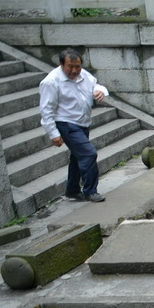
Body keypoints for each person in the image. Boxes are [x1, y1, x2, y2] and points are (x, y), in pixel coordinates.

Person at [39, 47, 109, 203]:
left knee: (78, 157)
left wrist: (100, 91)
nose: (74, 70)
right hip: (66, 124)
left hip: (83, 122)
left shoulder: (83, 74)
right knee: (89, 153)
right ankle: (90, 191)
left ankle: (72, 190)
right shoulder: (51, 82)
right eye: (70, 67)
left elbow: (95, 84)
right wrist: (54, 134)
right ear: (62, 65)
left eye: (77, 66)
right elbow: (46, 110)